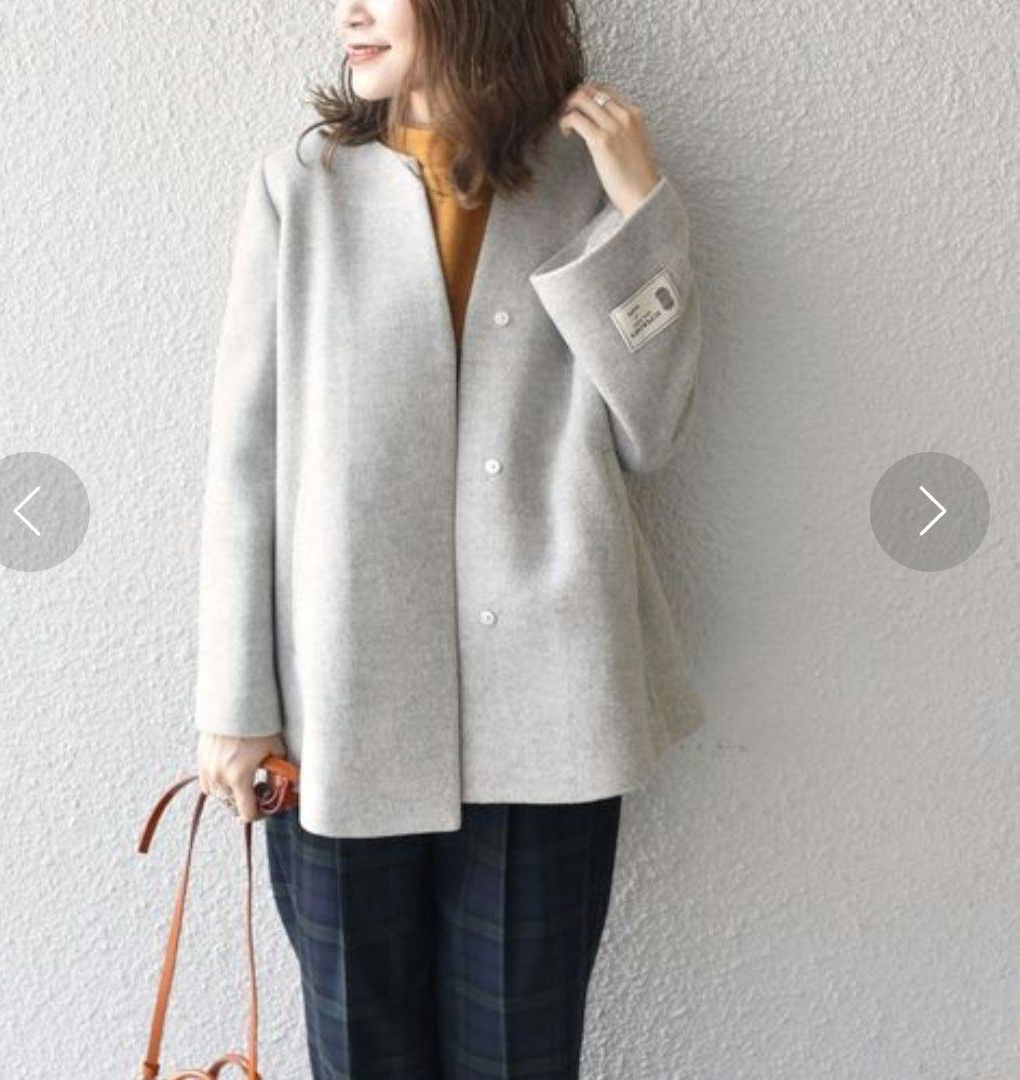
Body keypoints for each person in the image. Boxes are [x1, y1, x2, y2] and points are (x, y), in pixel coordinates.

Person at [194, 0, 704, 1075]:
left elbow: (650, 432)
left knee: (520, 1057)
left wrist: (641, 209)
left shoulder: (583, 185)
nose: (349, 10)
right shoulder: (302, 191)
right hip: (339, 710)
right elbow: (244, 466)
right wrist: (235, 705)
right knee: (360, 1052)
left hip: (549, 707)